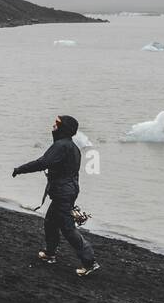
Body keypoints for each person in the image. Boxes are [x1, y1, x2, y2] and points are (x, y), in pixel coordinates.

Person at [12, 115, 99, 276]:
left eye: (57, 124)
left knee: (68, 228)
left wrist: (20, 169)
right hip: (67, 191)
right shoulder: (71, 147)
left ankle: (89, 262)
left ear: (64, 128)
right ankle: (49, 254)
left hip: (63, 193)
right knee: (51, 223)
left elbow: (42, 163)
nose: (53, 126)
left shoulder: (61, 146)